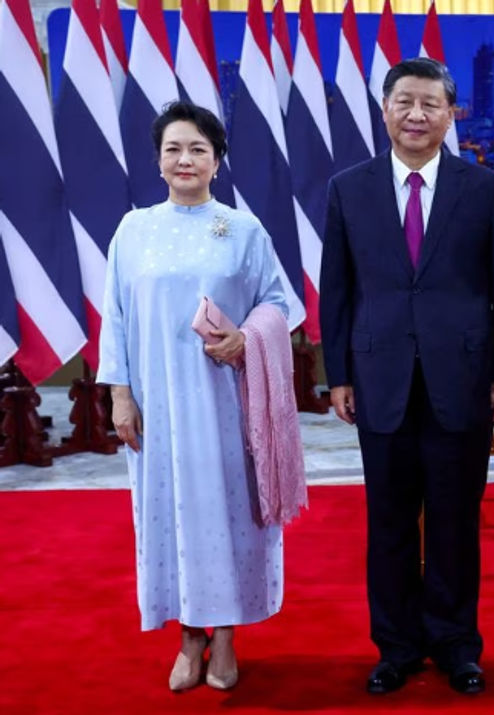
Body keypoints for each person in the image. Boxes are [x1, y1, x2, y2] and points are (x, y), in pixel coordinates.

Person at [320, 58, 494, 696]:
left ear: (449, 114)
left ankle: (457, 644)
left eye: (430, 104)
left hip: (461, 382)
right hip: (378, 380)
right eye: (404, 102)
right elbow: (338, 289)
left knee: (455, 522)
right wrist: (339, 375)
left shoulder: (483, 188)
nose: (416, 114)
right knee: (387, 524)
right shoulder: (348, 188)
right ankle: (397, 647)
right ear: (384, 110)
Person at [97, 101, 295, 692]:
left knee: (230, 518)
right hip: (157, 408)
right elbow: (115, 317)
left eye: (198, 149)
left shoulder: (243, 229)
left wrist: (245, 338)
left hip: (228, 405)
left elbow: (280, 305)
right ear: (158, 161)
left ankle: (228, 637)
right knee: (168, 519)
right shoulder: (133, 230)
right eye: (174, 149)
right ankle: (187, 638)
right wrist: (120, 396)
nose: (185, 159)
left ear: (217, 161)